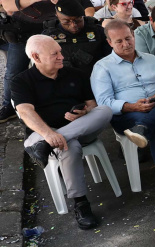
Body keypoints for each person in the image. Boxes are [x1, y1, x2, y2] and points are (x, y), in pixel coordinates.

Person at [13, 34, 112, 228]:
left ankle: (45, 146)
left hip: (80, 128)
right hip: (43, 132)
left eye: (59, 52)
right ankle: (81, 204)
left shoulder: (75, 74)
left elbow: (92, 105)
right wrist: (49, 135)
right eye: (55, 54)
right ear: (36, 57)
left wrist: (84, 112)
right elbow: (25, 112)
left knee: (105, 110)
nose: (61, 57)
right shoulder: (21, 81)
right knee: (69, 146)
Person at [90, 20, 155, 203]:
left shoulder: (151, 59)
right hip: (127, 115)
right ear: (109, 42)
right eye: (119, 41)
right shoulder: (103, 67)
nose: (126, 44)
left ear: (133, 36)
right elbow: (104, 103)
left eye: (128, 38)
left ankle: (144, 126)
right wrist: (133, 106)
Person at [0, 0, 73, 122]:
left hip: (50, 27)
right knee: (14, 70)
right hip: (21, 28)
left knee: (57, 66)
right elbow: (7, 5)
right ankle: (8, 106)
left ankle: (59, 102)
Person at [41, 0, 110, 74]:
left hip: (94, 75)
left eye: (78, 20)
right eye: (66, 22)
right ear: (57, 16)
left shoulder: (97, 30)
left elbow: (110, 59)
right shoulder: (49, 35)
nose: (73, 25)